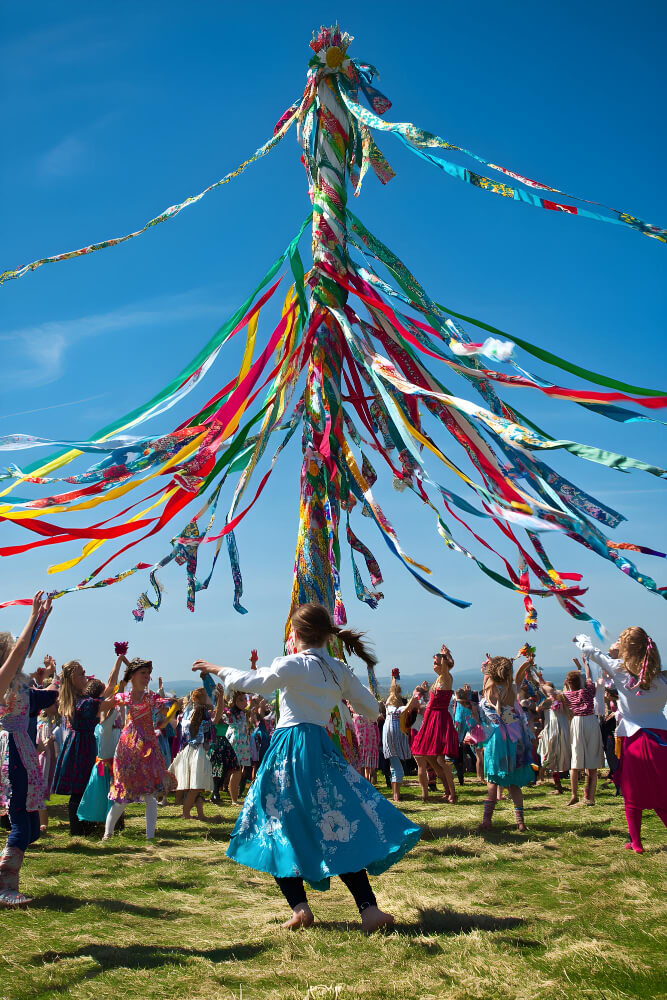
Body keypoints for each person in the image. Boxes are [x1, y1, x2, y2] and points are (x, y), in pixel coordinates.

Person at [193, 602, 421, 933]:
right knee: (337, 821)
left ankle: (300, 907)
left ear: (295, 634)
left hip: (288, 750)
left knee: (275, 823)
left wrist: (218, 668)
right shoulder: (338, 669)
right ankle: (368, 909)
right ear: (327, 635)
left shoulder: (293, 663)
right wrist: (342, 697)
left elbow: (255, 681)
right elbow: (372, 709)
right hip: (320, 749)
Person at [574, 630, 667, 853]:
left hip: (636, 740)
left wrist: (582, 638)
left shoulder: (619, 670)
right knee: (662, 792)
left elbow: (590, 651)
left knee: (633, 793)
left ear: (627, 648)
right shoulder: (662, 678)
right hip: (662, 740)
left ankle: (636, 843)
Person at [0, 592, 55, 906]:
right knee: (22, 821)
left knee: (32, 828)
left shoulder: (15, 680)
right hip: (13, 752)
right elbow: (23, 648)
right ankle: (5, 886)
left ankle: (5, 873)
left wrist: (44, 616)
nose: (18, 654)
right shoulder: (1, 680)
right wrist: (33, 616)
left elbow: (26, 647)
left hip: (24, 750)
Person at [103, 658, 174, 841]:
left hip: (148, 748)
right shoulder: (124, 697)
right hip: (127, 749)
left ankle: (150, 838)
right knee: (123, 796)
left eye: (148, 673)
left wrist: (170, 710)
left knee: (150, 795)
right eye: (143, 673)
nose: (147, 676)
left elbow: (169, 709)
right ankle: (108, 834)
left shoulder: (151, 697)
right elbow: (104, 702)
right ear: (132, 676)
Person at [477, 650, 535, 832]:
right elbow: (518, 676)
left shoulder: (489, 688)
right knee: (514, 783)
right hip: (514, 735)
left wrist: (490, 665)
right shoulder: (512, 688)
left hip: (498, 738)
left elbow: (488, 679)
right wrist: (527, 663)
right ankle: (521, 822)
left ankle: (487, 820)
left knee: (493, 780)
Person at [52, 660, 108, 835]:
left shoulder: (81, 699)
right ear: (72, 680)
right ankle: (77, 829)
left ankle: (83, 825)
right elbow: (106, 697)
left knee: (84, 786)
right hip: (80, 745)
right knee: (80, 787)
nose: (86, 676)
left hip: (83, 742)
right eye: (81, 674)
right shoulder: (81, 701)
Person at [411, 645, 459, 803]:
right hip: (431, 720)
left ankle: (452, 793)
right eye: (434, 662)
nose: (434, 665)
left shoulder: (446, 677)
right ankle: (446, 789)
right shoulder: (438, 680)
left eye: (436, 662)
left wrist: (445, 655)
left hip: (440, 720)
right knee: (429, 756)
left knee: (441, 761)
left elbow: (445, 668)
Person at [76, 675, 122, 827]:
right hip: (107, 767)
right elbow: (113, 710)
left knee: (99, 796)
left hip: (103, 766)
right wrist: (119, 693)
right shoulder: (106, 725)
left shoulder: (99, 725)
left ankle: (102, 822)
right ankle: (109, 823)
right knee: (106, 795)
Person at [562, 657, 604, 806]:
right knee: (592, 762)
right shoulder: (588, 691)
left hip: (577, 721)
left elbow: (568, 686)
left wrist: (577, 670)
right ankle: (590, 797)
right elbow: (589, 676)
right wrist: (585, 664)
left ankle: (574, 795)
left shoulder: (567, 694)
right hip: (591, 721)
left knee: (575, 760)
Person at [169, 686, 213, 820]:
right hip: (196, 750)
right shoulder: (202, 712)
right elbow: (215, 720)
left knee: (195, 785)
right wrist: (221, 700)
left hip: (188, 749)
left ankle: (200, 814)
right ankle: (186, 813)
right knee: (195, 786)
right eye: (206, 695)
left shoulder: (188, 712)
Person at [534, 672, 571, 794]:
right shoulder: (556, 700)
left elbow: (539, 706)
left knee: (552, 756)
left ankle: (556, 784)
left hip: (555, 730)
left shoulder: (553, 700)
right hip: (558, 729)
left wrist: (540, 680)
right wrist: (539, 678)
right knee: (554, 757)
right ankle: (557, 784)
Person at [381, 679, 414, 802]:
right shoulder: (392, 709)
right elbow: (403, 709)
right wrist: (414, 697)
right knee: (398, 770)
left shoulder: (389, 706)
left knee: (394, 768)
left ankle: (395, 794)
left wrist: (394, 679)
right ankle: (396, 795)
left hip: (391, 741)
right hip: (393, 741)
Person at [209, 684, 241, 804]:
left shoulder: (227, 713)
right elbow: (219, 711)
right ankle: (215, 792)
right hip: (217, 742)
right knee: (217, 768)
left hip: (224, 742)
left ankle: (217, 792)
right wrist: (221, 696)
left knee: (231, 767)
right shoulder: (214, 713)